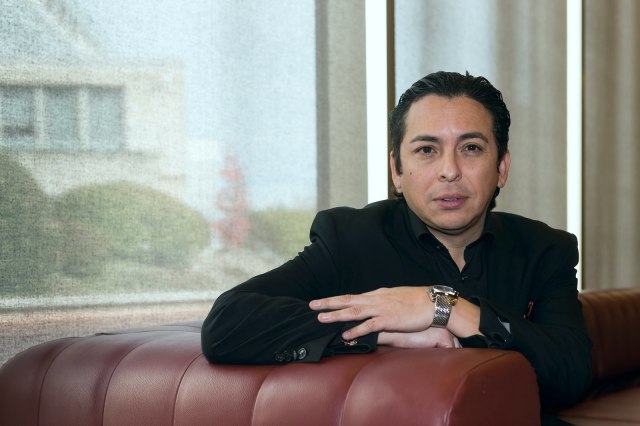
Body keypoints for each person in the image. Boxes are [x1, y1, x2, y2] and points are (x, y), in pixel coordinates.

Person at [201, 71, 592, 409]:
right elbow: (227, 324)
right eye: (427, 150)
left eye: (471, 148)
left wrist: (446, 307)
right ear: (397, 171)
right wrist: (380, 330)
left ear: (501, 168)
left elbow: (572, 372)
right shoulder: (351, 240)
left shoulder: (544, 249)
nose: (449, 171)